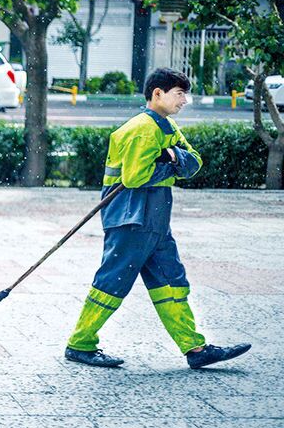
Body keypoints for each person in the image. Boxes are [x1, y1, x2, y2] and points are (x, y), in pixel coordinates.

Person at [65, 68, 251, 369]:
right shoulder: (142, 128)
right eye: (179, 94)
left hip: (155, 219)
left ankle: (195, 348)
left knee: (171, 281)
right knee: (113, 282)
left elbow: (195, 162)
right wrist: (173, 161)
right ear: (158, 94)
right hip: (131, 218)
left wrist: (173, 157)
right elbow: (137, 177)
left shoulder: (166, 127)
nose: (184, 101)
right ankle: (80, 343)